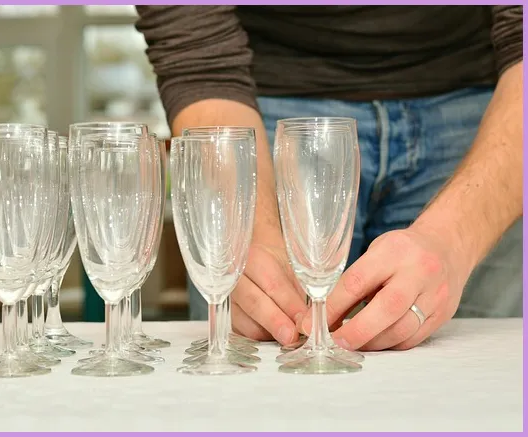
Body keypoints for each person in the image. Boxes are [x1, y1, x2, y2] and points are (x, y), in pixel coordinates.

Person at [135, 6, 523, 351]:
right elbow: (197, 55)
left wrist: (454, 239)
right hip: (254, 103)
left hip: (488, 106)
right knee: (251, 359)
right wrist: (251, 230)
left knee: (476, 377)